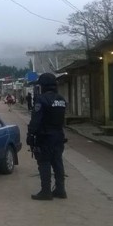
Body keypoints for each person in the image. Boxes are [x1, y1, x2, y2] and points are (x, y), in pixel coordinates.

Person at [27, 73, 67, 201]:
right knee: (58, 162)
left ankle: (46, 191)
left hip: (45, 137)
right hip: (59, 136)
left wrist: (30, 134)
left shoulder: (42, 99)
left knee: (44, 163)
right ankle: (60, 190)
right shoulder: (61, 99)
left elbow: (36, 120)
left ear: (43, 85)